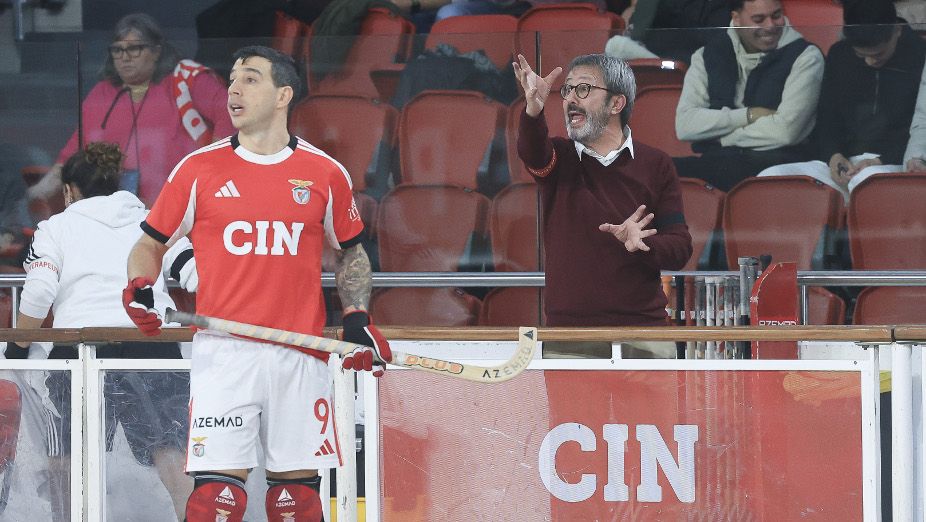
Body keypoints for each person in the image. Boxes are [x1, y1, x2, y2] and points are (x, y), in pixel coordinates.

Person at [124, 45, 391, 522]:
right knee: (213, 502)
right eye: (231, 79)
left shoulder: (326, 173)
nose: (232, 89)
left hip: (300, 353)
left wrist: (356, 316)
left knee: (298, 502)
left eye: (249, 78)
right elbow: (149, 243)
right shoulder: (197, 169)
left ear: (284, 94)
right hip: (225, 354)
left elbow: (350, 251)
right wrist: (141, 285)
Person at [4, 141, 199, 521]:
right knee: (174, 463)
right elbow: (195, 273)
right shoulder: (152, 218)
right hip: (150, 341)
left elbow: (40, 289)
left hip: (79, 348)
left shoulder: (55, 226)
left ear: (68, 191)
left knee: (67, 465)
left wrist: (17, 346)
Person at [513, 52, 692, 358]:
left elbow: (680, 248)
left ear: (616, 104)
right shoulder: (558, 156)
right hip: (570, 338)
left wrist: (645, 243)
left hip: (644, 333)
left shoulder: (656, 164)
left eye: (583, 89)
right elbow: (532, 153)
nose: (571, 99)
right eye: (567, 90)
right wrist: (533, 111)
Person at [28, 13, 234, 207]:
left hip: (181, 208)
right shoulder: (102, 93)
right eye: (118, 50)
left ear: (156, 51)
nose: (124, 57)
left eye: (134, 49)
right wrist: (33, 196)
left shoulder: (185, 81)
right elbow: (72, 153)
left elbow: (230, 110)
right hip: (116, 213)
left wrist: (213, 171)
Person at [757, 1, 926, 204]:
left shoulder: (920, 55)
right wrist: (833, 155)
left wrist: (881, 160)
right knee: (770, 178)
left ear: (897, 30)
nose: (869, 62)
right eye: (861, 55)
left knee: (867, 182)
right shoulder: (839, 54)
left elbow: (921, 125)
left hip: (896, 163)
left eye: (877, 54)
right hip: (845, 164)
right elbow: (828, 115)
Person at [672, 0, 825, 191]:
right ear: (736, 18)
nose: (770, 26)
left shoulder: (807, 57)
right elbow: (685, 126)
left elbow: (785, 132)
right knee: (652, 170)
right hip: (718, 161)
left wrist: (719, 138)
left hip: (778, 162)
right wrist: (749, 115)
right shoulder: (706, 54)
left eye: (776, 15)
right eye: (759, 19)